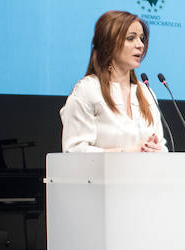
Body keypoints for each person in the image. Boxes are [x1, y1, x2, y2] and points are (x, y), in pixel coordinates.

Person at [60, 10, 167, 153]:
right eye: (130, 38)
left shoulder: (147, 93)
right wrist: (127, 152)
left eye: (141, 39)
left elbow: (162, 146)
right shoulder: (88, 89)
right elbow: (74, 150)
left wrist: (156, 149)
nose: (140, 45)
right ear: (108, 44)